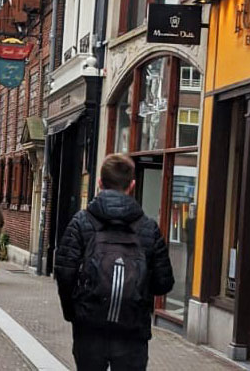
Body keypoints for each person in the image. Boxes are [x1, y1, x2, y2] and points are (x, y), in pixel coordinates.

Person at [54, 153, 174, 371]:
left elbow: (64, 272)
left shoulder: (81, 222)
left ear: (100, 183)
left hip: (89, 328)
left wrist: (73, 313)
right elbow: (164, 283)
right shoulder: (148, 228)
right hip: (132, 330)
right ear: (132, 185)